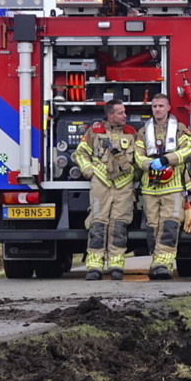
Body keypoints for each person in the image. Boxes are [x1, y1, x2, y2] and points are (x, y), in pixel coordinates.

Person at [72, 100, 138, 281]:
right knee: (98, 223)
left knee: (119, 225)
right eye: (121, 113)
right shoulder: (94, 131)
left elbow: (140, 158)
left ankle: (116, 265)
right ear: (110, 115)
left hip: (124, 185)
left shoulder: (132, 133)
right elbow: (80, 153)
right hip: (100, 183)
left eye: (125, 112)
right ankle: (94, 266)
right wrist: (88, 170)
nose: (125, 116)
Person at [134, 93, 191, 280]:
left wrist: (167, 159)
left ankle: (164, 264)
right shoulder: (143, 132)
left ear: (169, 108)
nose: (157, 109)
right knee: (153, 228)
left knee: (169, 226)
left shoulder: (180, 130)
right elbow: (137, 155)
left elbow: (188, 149)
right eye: (154, 106)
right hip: (150, 188)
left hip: (174, 186)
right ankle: (157, 262)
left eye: (161, 106)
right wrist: (148, 164)